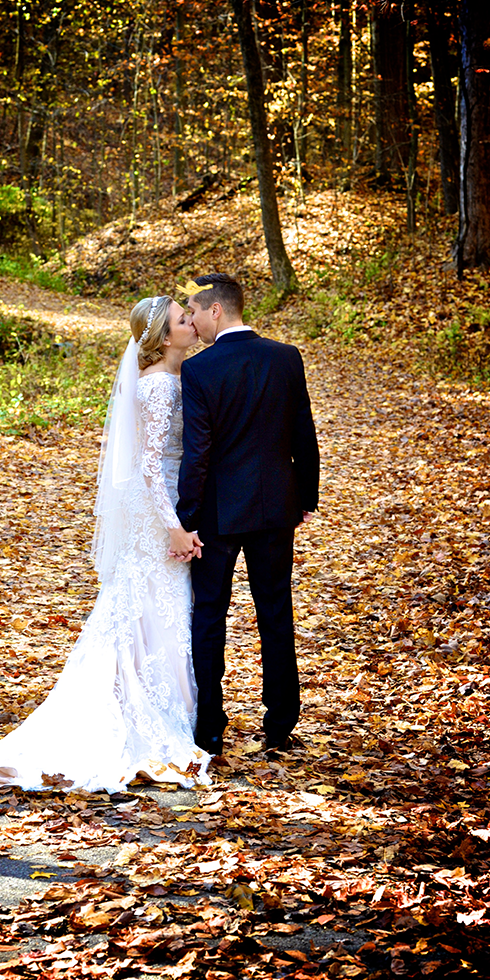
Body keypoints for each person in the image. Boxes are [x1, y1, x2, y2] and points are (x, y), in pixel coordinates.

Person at [0, 296, 211, 793]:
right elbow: (149, 465)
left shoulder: (172, 380)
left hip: (160, 504)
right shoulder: (158, 387)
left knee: (149, 607)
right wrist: (173, 525)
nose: (192, 323)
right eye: (182, 319)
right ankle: (137, 712)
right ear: (165, 338)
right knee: (154, 605)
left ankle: (148, 699)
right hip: (157, 510)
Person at [175, 272, 320, 755]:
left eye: (195, 310)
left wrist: (187, 516)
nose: (192, 320)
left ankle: (210, 725)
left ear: (216, 310)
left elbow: (199, 453)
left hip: (218, 513)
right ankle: (280, 723)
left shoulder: (200, 371)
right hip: (277, 506)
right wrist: (305, 497)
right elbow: (304, 432)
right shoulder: (285, 357)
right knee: (276, 612)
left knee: (210, 613)